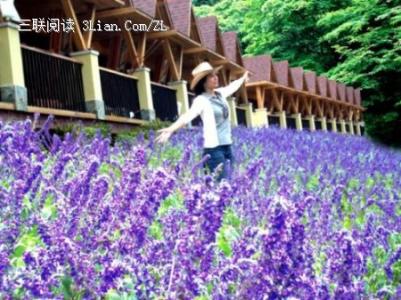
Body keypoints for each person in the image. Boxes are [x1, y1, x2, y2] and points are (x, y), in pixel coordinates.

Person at [155, 61, 249, 182]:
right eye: (211, 76)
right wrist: (171, 129)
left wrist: (243, 78)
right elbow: (187, 116)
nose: (216, 78)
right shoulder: (201, 100)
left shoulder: (220, 94)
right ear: (203, 82)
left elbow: (233, 86)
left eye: (215, 74)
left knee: (229, 184)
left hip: (227, 146)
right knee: (221, 185)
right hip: (214, 150)